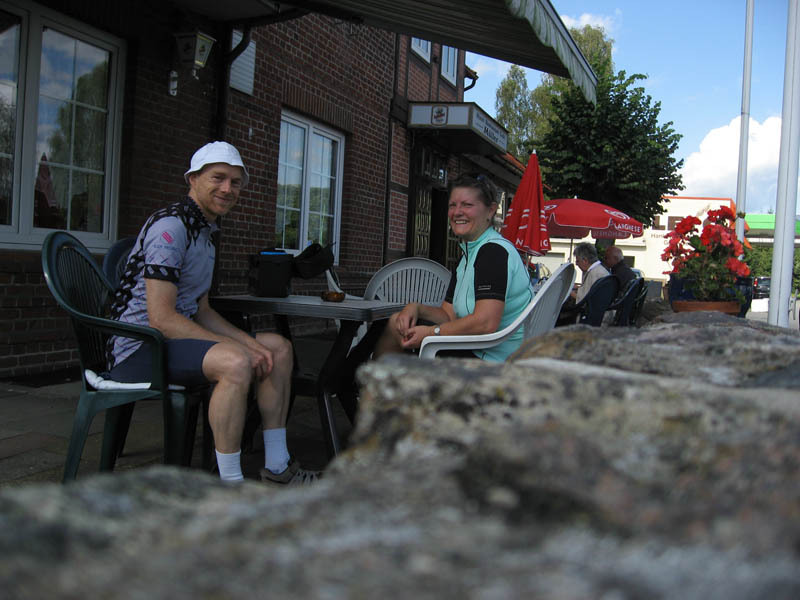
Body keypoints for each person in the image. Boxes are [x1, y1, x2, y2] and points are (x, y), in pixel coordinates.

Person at [106, 141, 317, 485]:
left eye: (235, 182)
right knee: (235, 362)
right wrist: (238, 348)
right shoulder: (172, 228)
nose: (227, 188)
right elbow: (161, 318)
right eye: (218, 178)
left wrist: (251, 343)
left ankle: (278, 468)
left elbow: (201, 310)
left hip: (173, 341)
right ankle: (229, 486)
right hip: (138, 348)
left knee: (278, 349)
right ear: (193, 179)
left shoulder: (204, 233)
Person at [373, 173, 532, 362]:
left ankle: (366, 378)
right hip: (480, 349)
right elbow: (448, 315)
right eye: (452, 205)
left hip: (493, 359)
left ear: (490, 211)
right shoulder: (469, 254)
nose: (457, 212)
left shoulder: (493, 252)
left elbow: (485, 323)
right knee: (398, 323)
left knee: (394, 327)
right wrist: (416, 307)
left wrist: (431, 333)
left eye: (467, 205)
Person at [556, 242, 610, 326]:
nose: (576, 264)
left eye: (577, 261)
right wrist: (576, 287)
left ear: (585, 260)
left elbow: (582, 299)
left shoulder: (594, 273)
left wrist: (567, 290)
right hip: (603, 315)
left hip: (593, 319)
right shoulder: (600, 270)